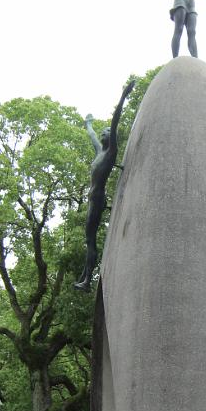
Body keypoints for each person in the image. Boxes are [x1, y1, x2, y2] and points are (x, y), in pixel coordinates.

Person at [74, 80, 135, 292]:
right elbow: (91, 135)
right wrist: (88, 123)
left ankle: (87, 280)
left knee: (90, 240)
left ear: (113, 137)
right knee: (88, 239)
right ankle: (84, 276)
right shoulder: (100, 151)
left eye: (107, 131)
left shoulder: (111, 153)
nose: (103, 132)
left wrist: (124, 95)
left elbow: (116, 118)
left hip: (98, 199)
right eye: (102, 131)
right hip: (92, 198)